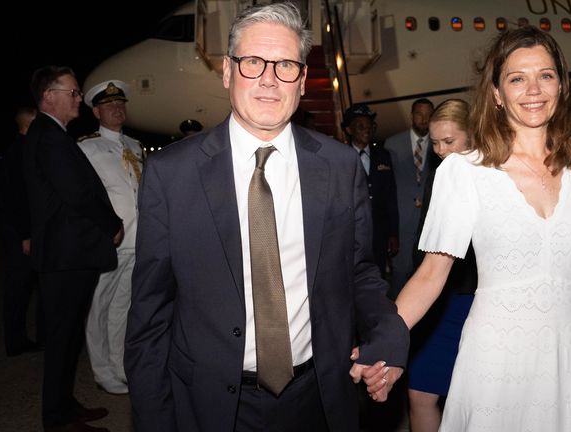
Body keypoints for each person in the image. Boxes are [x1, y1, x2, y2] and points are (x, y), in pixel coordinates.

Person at [124, 4, 409, 432]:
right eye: (253, 62)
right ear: (227, 72)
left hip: (316, 399)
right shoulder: (172, 174)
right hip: (211, 406)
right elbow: (150, 315)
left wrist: (389, 330)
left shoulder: (339, 166)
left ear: (301, 78)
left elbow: (358, 272)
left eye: (286, 65)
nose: (269, 79)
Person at [395, 26, 571, 431]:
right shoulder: (465, 171)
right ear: (497, 93)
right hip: (498, 361)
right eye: (517, 78)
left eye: (546, 75)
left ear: (562, 85)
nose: (534, 89)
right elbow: (431, 274)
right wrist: (385, 341)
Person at [23, 65, 123, 432]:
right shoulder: (49, 137)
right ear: (49, 96)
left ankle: (65, 405)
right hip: (66, 257)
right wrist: (111, 223)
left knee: (67, 339)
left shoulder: (53, 134)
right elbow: (77, 193)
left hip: (70, 254)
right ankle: (57, 419)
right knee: (62, 341)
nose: (79, 98)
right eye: (74, 92)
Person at [407, 99, 477, 432]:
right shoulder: (440, 173)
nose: (441, 150)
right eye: (435, 143)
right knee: (420, 393)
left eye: (449, 141)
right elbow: (425, 243)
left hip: (478, 303)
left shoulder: (496, 176)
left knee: (475, 402)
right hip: (437, 301)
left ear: (473, 135)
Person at [79, 80, 144, 395]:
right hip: (109, 242)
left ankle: (119, 366)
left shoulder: (134, 145)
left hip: (137, 240)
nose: (117, 109)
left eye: (120, 104)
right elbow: (85, 198)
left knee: (123, 307)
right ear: (96, 111)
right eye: (109, 105)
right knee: (99, 306)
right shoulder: (86, 148)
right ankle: (102, 371)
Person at [0, 106, 43, 356]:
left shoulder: (26, 149)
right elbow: (15, 199)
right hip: (21, 235)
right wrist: (26, 235)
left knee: (30, 287)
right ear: (27, 125)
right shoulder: (20, 153)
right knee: (18, 288)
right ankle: (15, 341)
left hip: (25, 233)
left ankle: (31, 337)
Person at [385, 98, 434, 297]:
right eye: (419, 114)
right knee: (400, 275)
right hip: (402, 220)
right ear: (412, 116)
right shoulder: (392, 144)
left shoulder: (440, 143)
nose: (424, 119)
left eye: (428, 115)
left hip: (429, 219)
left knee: (428, 274)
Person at [342, 103, 399, 277]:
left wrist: (393, 233)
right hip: (352, 234)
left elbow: (391, 196)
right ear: (349, 130)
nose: (366, 130)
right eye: (360, 126)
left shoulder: (383, 156)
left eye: (369, 126)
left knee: (380, 277)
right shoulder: (339, 157)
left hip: (380, 233)